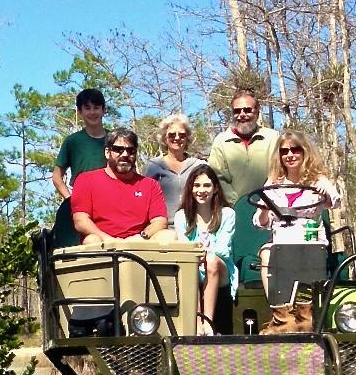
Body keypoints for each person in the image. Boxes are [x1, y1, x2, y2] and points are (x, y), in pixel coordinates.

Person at [253, 129, 341, 295]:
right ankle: (278, 309)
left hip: (309, 239)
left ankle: (309, 306)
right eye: (284, 151)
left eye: (295, 150)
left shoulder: (317, 179)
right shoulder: (273, 182)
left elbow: (334, 202)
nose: (290, 155)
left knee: (304, 255)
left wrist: (325, 193)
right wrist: (264, 208)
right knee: (266, 255)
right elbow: (261, 222)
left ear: (304, 152)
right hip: (282, 240)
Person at [70, 126, 169, 244]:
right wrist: (109, 240)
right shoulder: (85, 180)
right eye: (118, 149)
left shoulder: (150, 185)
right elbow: (81, 221)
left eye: (130, 150)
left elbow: (160, 221)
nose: (125, 154)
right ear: (107, 152)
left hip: (139, 243)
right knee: (92, 240)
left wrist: (141, 237)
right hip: (103, 242)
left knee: (168, 235)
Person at [173, 164, 237, 333]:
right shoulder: (182, 216)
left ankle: (208, 322)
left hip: (219, 268)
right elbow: (183, 245)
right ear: (190, 188)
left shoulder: (227, 214)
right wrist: (197, 255)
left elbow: (223, 249)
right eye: (197, 185)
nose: (202, 190)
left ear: (215, 188)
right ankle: (196, 320)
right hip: (193, 267)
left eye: (207, 185)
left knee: (210, 260)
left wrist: (204, 254)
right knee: (189, 262)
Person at [51, 88, 107, 248]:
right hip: (81, 203)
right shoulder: (72, 141)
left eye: (96, 107)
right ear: (80, 112)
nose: (92, 112)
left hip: (110, 202)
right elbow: (57, 177)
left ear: (103, 110)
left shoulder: (114, 141)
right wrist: (70, 199)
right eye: (87, 108)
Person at [206, 88, 278, 206]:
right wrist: (239, 204)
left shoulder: (272, 137)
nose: (242, 115)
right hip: (233, 209)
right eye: (237, 111)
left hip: (270, 208)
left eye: (247, 110)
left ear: (257, 112)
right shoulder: (221, 141)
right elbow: (217, 177)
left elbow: (280, 172)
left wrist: (267, 201)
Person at [143, 113, 200, 219]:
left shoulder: (197, 166)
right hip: (163, 227)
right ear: (165, 138)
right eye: (172, 135)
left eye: (182, 135)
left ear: (187, 138)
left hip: (194, 226)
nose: (177, 138)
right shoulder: (153, 167)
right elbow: (143, 200)